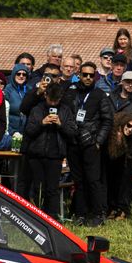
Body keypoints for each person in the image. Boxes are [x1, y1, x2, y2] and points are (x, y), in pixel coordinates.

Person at [68, 61, 114, 225]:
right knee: (78, 181)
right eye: (84, 74)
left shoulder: (99, 94)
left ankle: (99, 214)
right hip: (73, 142)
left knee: (94, 180)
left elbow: (108, 120)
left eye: (91, 75)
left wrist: (98, 141)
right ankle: (80, 214)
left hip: (91, 143)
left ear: (95, 76)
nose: (87, 78)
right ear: (79, 75)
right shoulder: (71, 92)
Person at [23, 82, 76, 220]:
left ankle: (51, 218)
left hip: (55, 155)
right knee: (38, 188)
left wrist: (60, 124)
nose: (53, 103)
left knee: (52, 189)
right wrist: (42, 123)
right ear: (45, 95)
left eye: (56, 100)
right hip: (36, 154)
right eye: (50, 100)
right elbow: (29, 130)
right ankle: (35, 217)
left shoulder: (65, 110)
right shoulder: (37, 109)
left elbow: (72, 131)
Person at [104, 110, 132, 220]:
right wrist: (118, 141)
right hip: (108, 166)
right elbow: (110, 156)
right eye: (129, 125)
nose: (130, 129)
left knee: (126, 176)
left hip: (122, 169)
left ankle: (121, 208)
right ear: (123, 122)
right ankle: (112, 207)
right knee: (114, 178)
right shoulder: (112, 133)